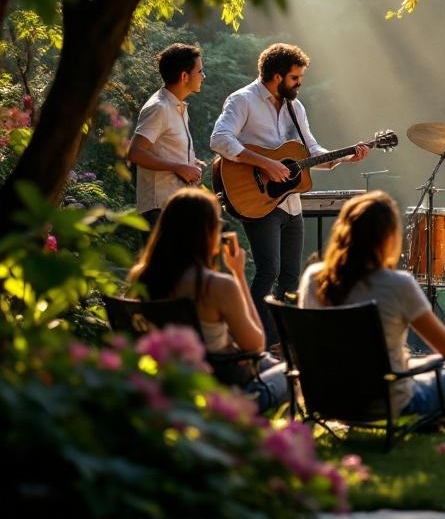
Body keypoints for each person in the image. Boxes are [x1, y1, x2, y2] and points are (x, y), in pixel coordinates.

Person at [210, 42, 368, 350]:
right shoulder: (243, 100)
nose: (300, 83)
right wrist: (265, 163)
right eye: (295, 78)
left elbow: (311, 152)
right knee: (268, 269)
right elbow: (219, 139)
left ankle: (284, 342)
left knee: (291, 276)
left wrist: (348, 156)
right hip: (257, 199)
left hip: (290, 203)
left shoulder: (296, 107)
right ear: (277, 76)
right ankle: (252, 340)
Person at [298, 191, 445, 419]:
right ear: (389, 238)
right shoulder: (397, 284)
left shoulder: (313, 278)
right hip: (385, 402)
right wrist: (412, 364)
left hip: (325, 400)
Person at [127, 188, 288, 413]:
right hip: (219, 389)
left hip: (168, 383)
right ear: (206, 232)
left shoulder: (141, 277)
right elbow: (254, 345)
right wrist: (239, 275)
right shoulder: (216, 285)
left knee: (270, 364)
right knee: (291, 375)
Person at [127, 43, 207, 226]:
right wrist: (179, 167)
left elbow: (165, 150)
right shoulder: (158, 107)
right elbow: (135, 152)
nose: (203, 76)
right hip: (159, 209)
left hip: (177, 206)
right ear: (184, 76)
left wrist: (191, 164)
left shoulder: (178, 107)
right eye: (200, 71)